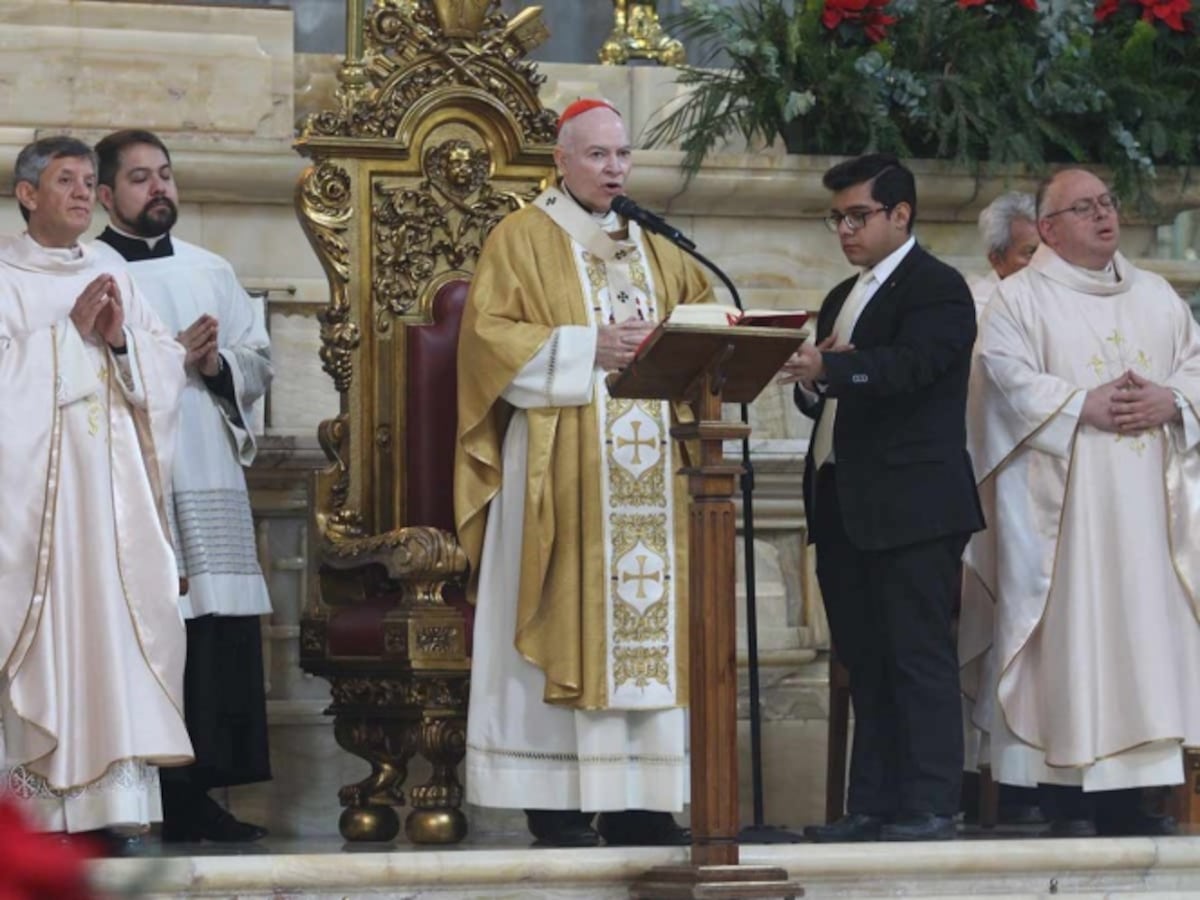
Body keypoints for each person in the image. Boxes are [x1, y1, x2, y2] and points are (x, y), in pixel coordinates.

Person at [454, 99, 713, 847]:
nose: (615, 169)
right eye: (598, 155)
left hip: (650, 474)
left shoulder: (654, 242)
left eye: (623, 154)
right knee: (565, 606)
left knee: (646, 617)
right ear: (561, 161)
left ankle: (643, 800)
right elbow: (489, 341)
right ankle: (558, 799)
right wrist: (585, 348)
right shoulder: (523, 236)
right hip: (561, 463)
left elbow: (700, 314)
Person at [960, 168, 1200, 837]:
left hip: (1150, 513)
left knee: (1144, 634)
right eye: (1084, 208)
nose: (1104, 217)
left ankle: (1139, 793)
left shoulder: (1156, 296)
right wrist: (1079, 404)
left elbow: (1196, 365)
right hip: (1062, 515)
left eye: (1109, 203)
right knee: (1071, 637)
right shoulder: (1020, 301)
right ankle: (1062, 796)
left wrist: (1172, 400)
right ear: (1048, 227)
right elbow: (1002, 377)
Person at [780, 154, 984, 842]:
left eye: (858, 215)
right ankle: (869, 803)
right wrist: (811, 382)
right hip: (844, 500)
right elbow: (837, 397)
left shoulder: (939, 288)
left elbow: (912, 368)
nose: (845, 229)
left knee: (916, 655)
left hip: (913, 504)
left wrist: (831, 367)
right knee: (864, 657)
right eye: (837, 217)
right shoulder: (843, 295)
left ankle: (930, 802)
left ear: (901, 214)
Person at [0, 136, 192, 844]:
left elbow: (162, 361)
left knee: (115, 633)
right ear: (27, 195)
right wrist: (69, 339)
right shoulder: (4, 275)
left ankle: (113, 804)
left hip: (112, 504)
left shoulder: (113, 270)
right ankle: (39, 811)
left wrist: (119, 344)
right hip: (39, 509)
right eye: (66, 181)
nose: (83, 193)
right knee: (50, 637)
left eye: (88, 182)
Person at [92, 129, 273, 844]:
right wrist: (166, 359)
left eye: (164, 174)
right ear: (105, 195)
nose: (159, 188)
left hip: (205, 466)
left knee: (212, 633)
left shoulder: (211, 270)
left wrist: (216, 366)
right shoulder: (88, 269)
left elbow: (258, 359)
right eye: (139, 178)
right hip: (131, 478)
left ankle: (197, 796)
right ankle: (126, 795)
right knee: (143, 630)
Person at [969, 192, 1039, 318]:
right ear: (997, 261)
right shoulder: (981, 312)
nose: (1044, 259)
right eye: (1031, 252)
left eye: (1048, 250)